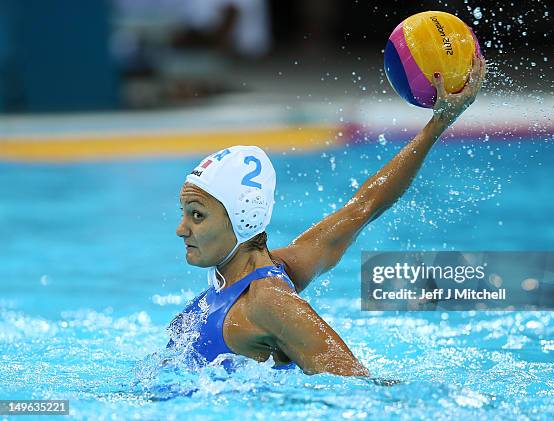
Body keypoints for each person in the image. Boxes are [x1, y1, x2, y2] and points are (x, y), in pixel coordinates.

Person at [168, 54, 486, 376]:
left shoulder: (269, 301)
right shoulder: (268, 270)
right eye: (185, 214)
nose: (182, 229)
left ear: (242, 219)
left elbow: (357, 383)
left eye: (197, 216)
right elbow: (365, 204)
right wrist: (438, 122)